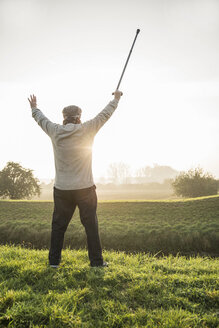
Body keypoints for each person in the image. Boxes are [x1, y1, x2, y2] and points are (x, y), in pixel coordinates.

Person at [28, 90, 123, 268]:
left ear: (64, 117)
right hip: (85, 188)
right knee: (91, 227)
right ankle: (96, 263)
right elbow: (105, 114)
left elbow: (41, 119)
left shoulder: (55, 131)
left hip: (62, 189)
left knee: (58, 227)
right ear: (79, 117)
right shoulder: (87, 129)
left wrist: (34, 108)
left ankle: (53, 263)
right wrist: (116, 99)